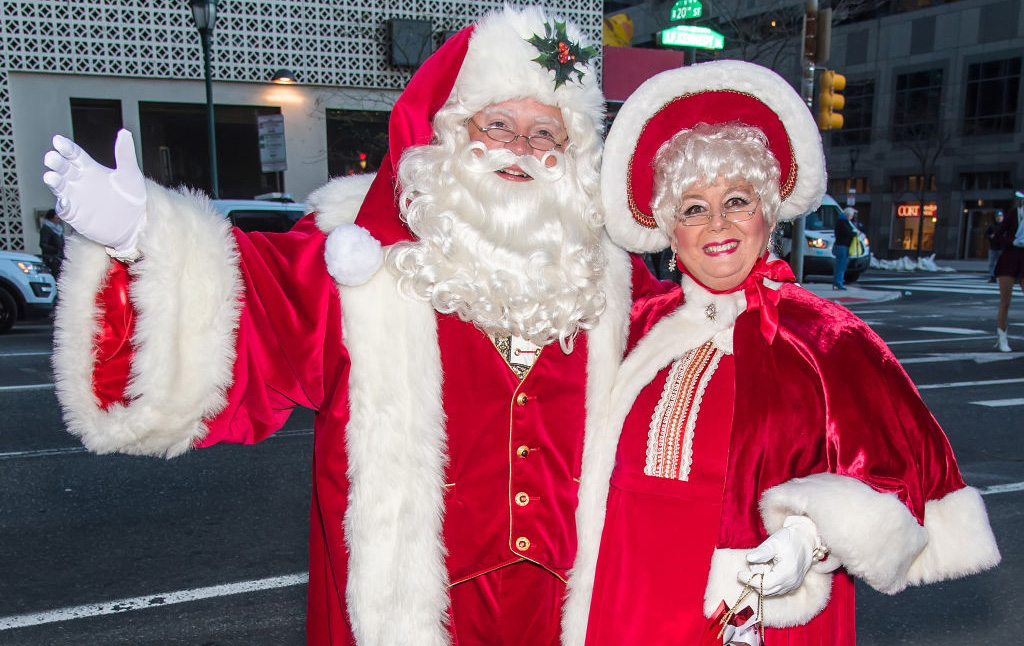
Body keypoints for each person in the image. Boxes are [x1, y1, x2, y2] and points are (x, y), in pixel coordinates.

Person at [41, 7, 656, 645]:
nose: (520, 152)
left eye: (544, 134)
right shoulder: (363, 261)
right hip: (411, 607)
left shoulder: (612, 282)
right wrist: (142, 240)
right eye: (498, 125)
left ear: (574, 153)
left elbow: (700, 363)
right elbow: (252, 299)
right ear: (452, 133)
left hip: (563, 609)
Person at [557, 60, 1000, 646]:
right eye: (693, 207)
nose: (717, 222)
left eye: (737, 199)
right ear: (670, 231)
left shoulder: (827, 338)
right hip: (630, 585)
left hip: (756, 600)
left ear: (768, 210)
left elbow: (897, 474)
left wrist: (809, 540)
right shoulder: (636, 325)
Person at [992, 201, 1024, 352]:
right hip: (1009, 258)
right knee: (1005, 302)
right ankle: (1002, 338)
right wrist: (1013, 242)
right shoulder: (1014, 213)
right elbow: (998, 235)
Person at [832, 205, 857, 290]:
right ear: (848, 214)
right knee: (841, 266)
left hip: (840, 246)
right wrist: (854, 234)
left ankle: (838, 283)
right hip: (842, 247)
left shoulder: (841, 221)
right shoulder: (843, 222)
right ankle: (838, 283)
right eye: (852, 215)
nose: (852, 217)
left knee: (840, 266)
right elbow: (847, 233)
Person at [38, 208, 65, 279]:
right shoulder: (46, 229)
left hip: (60, 257)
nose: (58, 220)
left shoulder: (59, 229)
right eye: (56, 218)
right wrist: (55, 250)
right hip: (52, 258)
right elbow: (43, 244)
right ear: (51, 218)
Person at [986, 210, 1006, 282]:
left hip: (1002, 247)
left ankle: (1001, 276)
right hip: (993, 247)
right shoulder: (992, 225)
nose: (999, 218)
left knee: (1001, 263)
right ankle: (992, 276)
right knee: (992, 263)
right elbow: (986, 234)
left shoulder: (1005, 225)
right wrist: (990, 236)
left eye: (1000, 217)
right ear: (995, 217)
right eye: (998, 217)